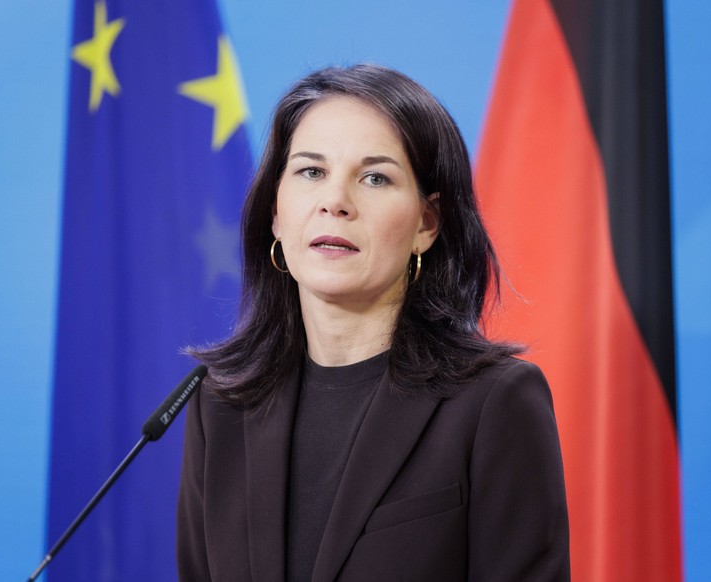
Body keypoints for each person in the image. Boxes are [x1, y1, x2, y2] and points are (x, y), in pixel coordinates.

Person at [176, 63, 570, 581]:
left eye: (374, 178)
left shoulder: (494, 403)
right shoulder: (219, 405)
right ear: (276, 211)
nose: (335, 202)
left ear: (426, 224)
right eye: (311, 172)